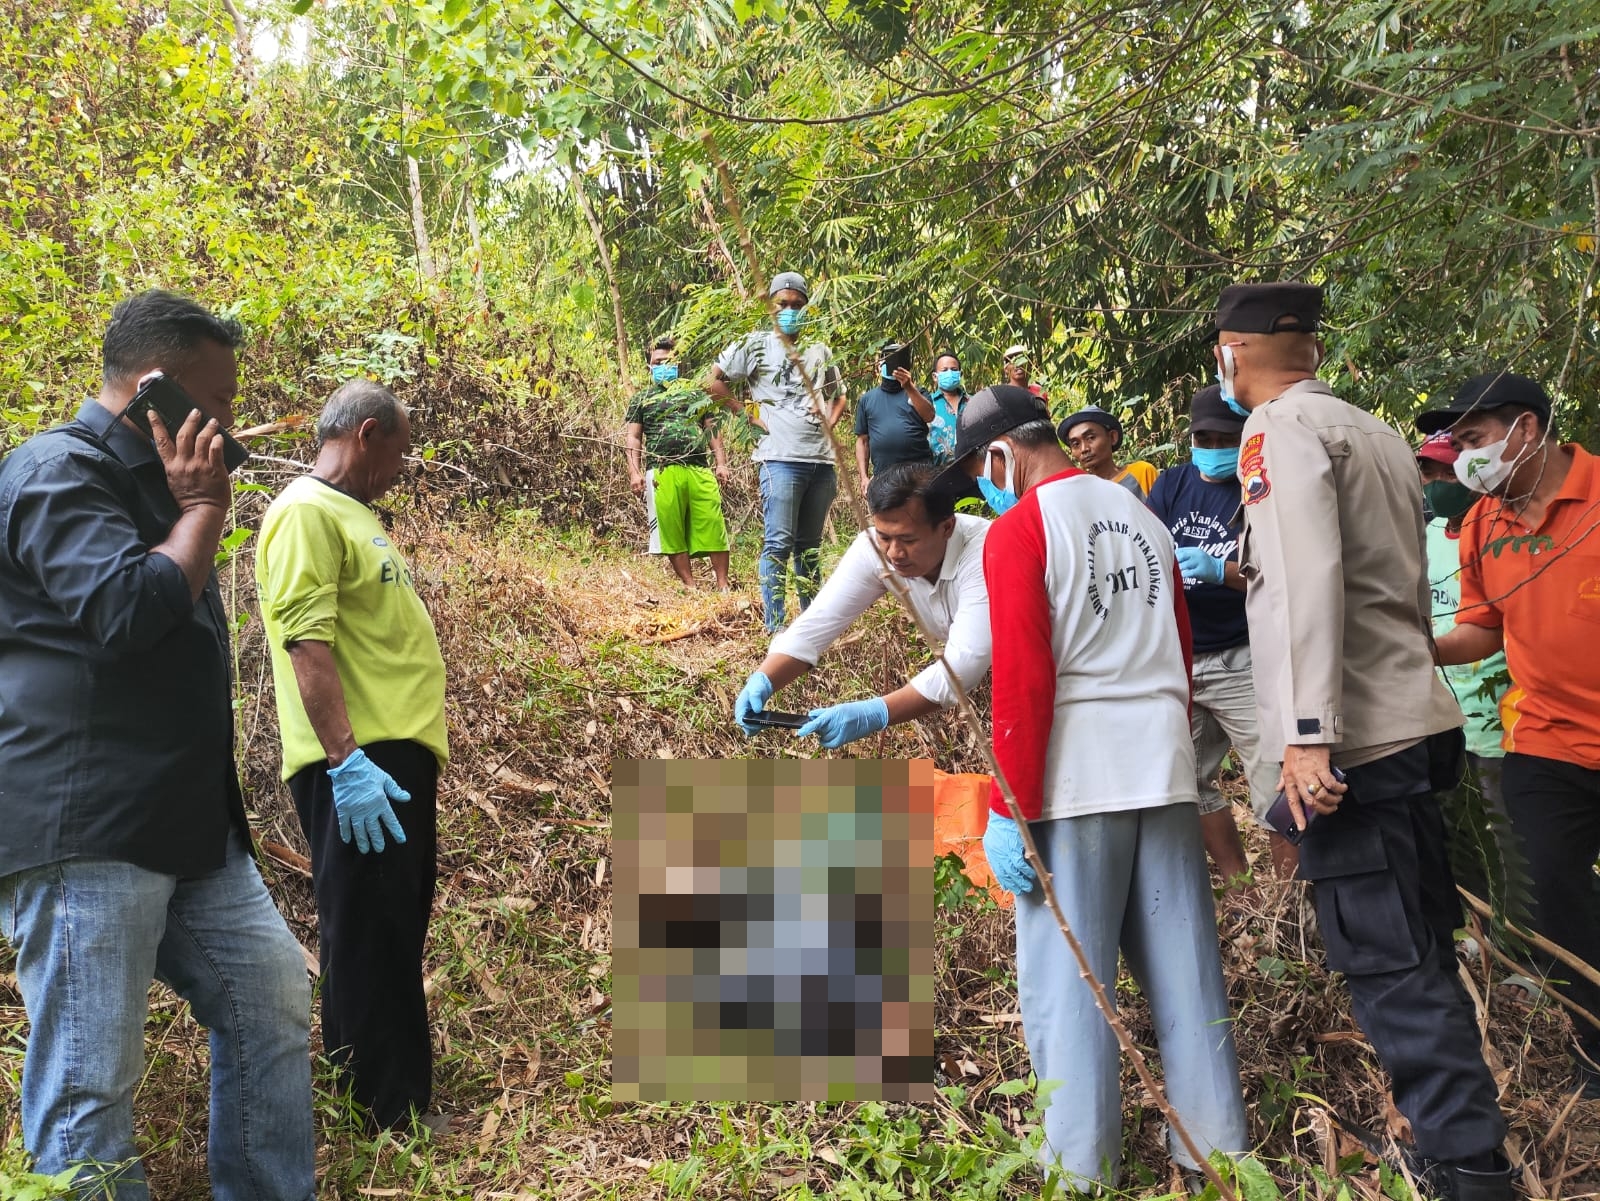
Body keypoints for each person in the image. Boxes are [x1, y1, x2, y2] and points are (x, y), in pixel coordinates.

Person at [0, 290, 314, 1198]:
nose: (223, 424)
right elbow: (127, 610)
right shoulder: (54, 472)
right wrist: (206, 510)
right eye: (212, 404)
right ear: (155, 392)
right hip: (88, 827)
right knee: (89, 1085)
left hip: (187, 828)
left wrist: (191, 504)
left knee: (268, 1000)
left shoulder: (161, 487)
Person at [1220, 282, 1511, 1198]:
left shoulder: (1278, 430)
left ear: (1235, 351)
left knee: (1392, 970)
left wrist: (1307, 736)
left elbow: (1307, 578)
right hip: (1415, 720)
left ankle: (1469, 1171)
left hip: (1352, 745)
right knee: (1422, 947)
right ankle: (1450, 1140)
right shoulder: (1375, 430)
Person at [950, 385, 1246, 1187]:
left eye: (983, 466)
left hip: (1075, 782)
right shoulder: (1145, 517)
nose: (984, 483)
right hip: (1163, 766)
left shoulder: (1021, 531)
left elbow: (1022, 679)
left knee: (1071, 988)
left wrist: (1009, 807)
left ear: (1005, 453)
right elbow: (1181, 656)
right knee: (1187, 967)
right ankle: (1218, 1149)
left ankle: (1079, 1170)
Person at [255, 380, 449, 1135]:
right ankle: (383, 1110)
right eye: (398, 449)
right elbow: (307, 638)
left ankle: (388, 1089)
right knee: (368, 923)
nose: (401, 464)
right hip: (359, 760)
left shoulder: (352, 513)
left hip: (389, 754)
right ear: (367, 434)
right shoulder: (306, 511)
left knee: (391, 920)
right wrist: (347, 761)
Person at [1425, 371, 1600, 1099]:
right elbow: (1479, 628)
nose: (1464, 458)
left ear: (1525, 429)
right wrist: (1411, 643)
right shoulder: (1483, 525)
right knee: (1550, 891)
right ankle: (1596, 1045)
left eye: (1473, 439)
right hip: (1547, 740)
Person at [734, 461, 990, 748]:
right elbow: (817, 623)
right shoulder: (873, 551)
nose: (894, 553)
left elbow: (964, 665)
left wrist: (875, 713)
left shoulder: (986, 552)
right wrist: (764, 679)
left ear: (946, 527)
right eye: (884, 536)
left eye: (908, 539)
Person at [1147, 384, 1285, 884]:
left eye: (1223, 436)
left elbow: (1283, 574)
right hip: (1182, 657)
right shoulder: (1172, 484)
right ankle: (1240, 884)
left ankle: (1290, 903)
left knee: (1273, 781)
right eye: (1201, 435)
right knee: (1188, 781)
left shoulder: (1258, 487)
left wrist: (1220, 570)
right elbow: (1146, 551)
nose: (1211, 444)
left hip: (1243, 657)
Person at [707, 271, 846, 631]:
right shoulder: (754, 344)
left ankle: (810, 627)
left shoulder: (819, 350)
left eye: (797, 305)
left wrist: (829, 419)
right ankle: (777, 627)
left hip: (820, 461)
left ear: (806, 308)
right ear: (769, 305)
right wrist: (746, 414)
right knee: (779, 543)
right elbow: (713, 381)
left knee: (809, 549)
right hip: (779, 459)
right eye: (782, 304)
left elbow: (839, 393)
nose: (789, 311)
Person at [626, 337, 731, 590]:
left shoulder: (696, 393)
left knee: (712, 523)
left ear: (678, 363)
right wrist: (635, 472)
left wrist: (721, 463)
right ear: (649, 367)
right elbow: (633, 436)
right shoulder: (642, 399)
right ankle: (690, 586)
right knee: (670, 530)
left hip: (698, 468)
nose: (664, 366)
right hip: (661, 471)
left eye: (668, 361)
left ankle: (722, 585)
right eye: (658, 362)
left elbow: (712, 428)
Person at [853, 340, 934, 493]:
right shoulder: (867, 399)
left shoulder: (919, 393)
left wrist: (909, 387)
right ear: (879, 364)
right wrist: (864, 477)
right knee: (890, 516)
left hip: (919, 472)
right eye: (889, 359)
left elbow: (929, 416)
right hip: (884, 475)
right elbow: (862, 441)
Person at [1058, 405, 1159, 499]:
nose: (1084, 449)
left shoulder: (1142, 473)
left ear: (1112, 437)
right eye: (1076, 444)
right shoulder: (1080, 493)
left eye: (1091, 438)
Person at [920, 351, 969, 465]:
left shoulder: (972, 402)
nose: (950, 372)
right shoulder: (927, 404)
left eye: (953, 369)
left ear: (960, 374)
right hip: (936, 472)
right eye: (944, 370)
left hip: (970, 471)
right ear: (935, 376)